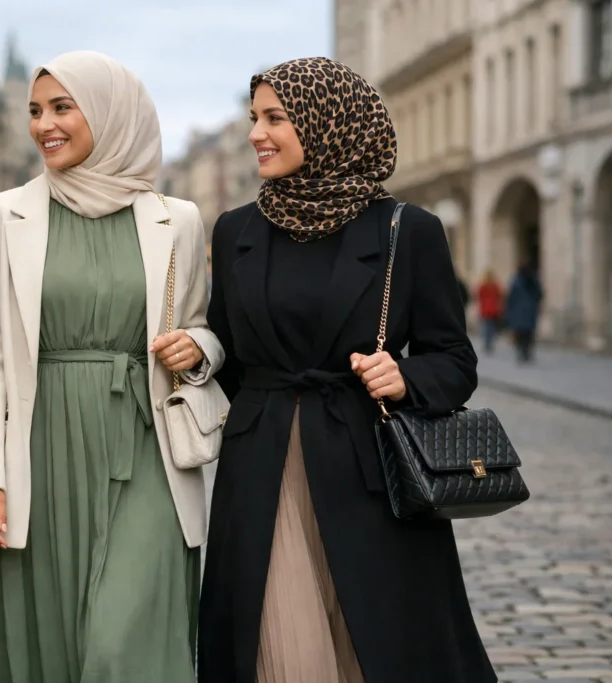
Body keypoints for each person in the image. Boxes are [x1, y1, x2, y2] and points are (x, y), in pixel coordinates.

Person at [199, 58, 494, 683]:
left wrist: (406, 378)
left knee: (375, 644)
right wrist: (199, 351)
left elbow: (455, 359)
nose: (257, 133)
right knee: (277, 650)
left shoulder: (406, 231)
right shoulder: (235, 231)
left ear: (329, 122)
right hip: (260, 469)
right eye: (255, 118)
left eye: (276, 118)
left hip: (371, 473)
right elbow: (226, 350)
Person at [0, 50, 224, 683]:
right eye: (34, 110)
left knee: (123, 641)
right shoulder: (2, 217)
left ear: (110, 113)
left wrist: (198, 350)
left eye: (61, 107)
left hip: (146, 447)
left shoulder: (177, 220)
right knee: (45, 643)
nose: (43, 124)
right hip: (38, 450)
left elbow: (202, 329)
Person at [505, 261, 543, 363]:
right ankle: (525, 352)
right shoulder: (532, 280)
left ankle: (523, 352)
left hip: (520, 312)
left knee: (521, 333)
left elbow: (510, 298)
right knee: (528, 334)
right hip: (528, 312)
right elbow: (539, 294)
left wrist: (508, 311)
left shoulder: (516, 281)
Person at [477, 269, 503, 353]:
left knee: (486, 327)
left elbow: (478, 296)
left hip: (486, 310)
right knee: (490, 327)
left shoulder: (483, 285)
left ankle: (487, 343)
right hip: (492, 310)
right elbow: (500, 296)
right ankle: (489, 343)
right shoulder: (494, 286)